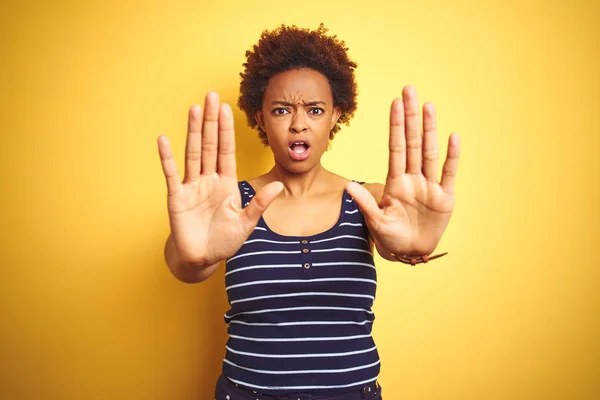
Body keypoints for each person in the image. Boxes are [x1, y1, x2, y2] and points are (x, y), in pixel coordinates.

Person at [157, 24, 460, 400]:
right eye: (281, 109)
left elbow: (394, 242)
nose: (298, 123)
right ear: (260, 117)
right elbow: (181, 259)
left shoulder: (369, 201)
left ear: (336, 115)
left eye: (314, 110)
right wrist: (193, 258)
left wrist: (412, 247)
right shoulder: (230, 206)